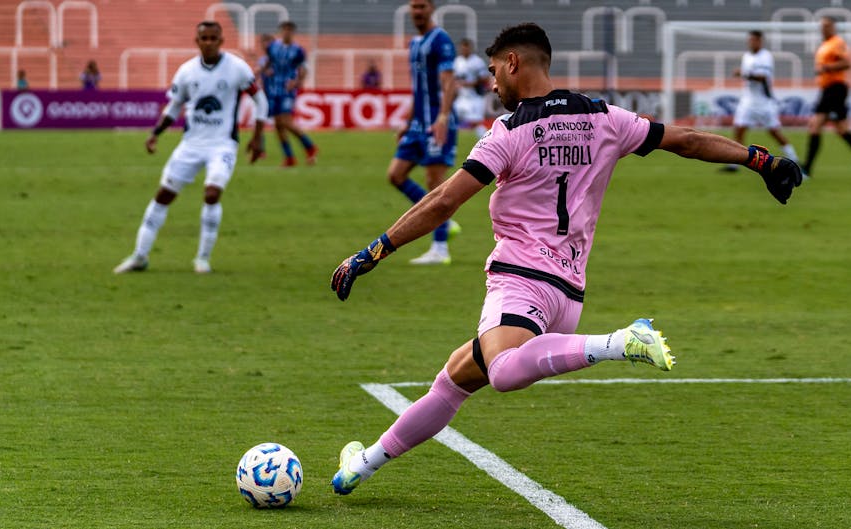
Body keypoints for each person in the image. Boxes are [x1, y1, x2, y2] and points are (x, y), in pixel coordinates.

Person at [327, 23, 801, 497]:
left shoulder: (509, 132)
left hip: (521, 281)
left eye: (494, 71)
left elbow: (442, 202)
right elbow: (688, 140)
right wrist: (760, 160)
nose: (492, 83)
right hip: (567, 293)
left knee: (504, 371)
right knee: (453, 380)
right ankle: (361, 464)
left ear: (514, 63)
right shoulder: (604, 117)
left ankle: (621, 341)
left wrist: (372, 252)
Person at [113, 21, 267, 275]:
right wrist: (156, 133)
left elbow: (260, 99)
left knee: (212, 194)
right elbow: (174, 107)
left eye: (213, 38)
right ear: (197, 41)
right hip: (191, 145)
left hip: (222, 145)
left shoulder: (237, 68)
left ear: (221, 41)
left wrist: (258, 136)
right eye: (203, 38)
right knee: (163, 196)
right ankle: (140, 256)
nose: (208, 42)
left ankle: (202, 259)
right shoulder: (186, 72)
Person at [387, 0, 460, 266]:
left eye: (422, 6)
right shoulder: (416, 43)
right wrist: (407, 120)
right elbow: (418, 89)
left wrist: (442, 116)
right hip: (417, 124)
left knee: (435, 183)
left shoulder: (440, 40)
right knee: (395, 175)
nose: (417, 11)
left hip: (436, 124)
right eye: (413, 7)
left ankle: (440, 249)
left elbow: (449, 81)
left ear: (431, 8)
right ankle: (445, 221)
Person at [801, 17, 851, 182]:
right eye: (822, 26)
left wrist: (827, 68)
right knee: (840, 129)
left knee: (816, 125)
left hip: (835, 89)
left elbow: (847, 63)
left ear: (834, 27)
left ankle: (806, 168)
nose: (824, 29)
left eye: (827, 26)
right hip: (827, 90)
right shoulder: (824, 45)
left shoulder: (836, 43)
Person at [721, 30, 797, 172]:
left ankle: (795, 160)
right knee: (739, 130)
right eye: (750, 40)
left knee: (774, 132)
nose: (752, 42)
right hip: (748, 101)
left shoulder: (765, 56)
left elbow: (763, 77)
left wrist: (743, 73)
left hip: (764, 102)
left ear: (760, 41)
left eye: (755, 40)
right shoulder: (747, 56)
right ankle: (734, 164)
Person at [265, 21, 318, 167]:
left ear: (293, 32)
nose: (286, 32)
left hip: (287, 90)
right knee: (278, 124)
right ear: (281, 31)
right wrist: (265, 70)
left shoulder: (298, 51)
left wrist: (296, 82)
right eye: (284, 29)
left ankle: (310, 146)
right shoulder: (273, 47)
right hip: (273, 88)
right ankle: (289, 157)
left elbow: (304, 69)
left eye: (289, 30)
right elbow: (269, 63)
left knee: (286, 121)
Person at [454, 38, 490, 139]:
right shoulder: (457, 62)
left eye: (467, 47)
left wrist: (471, 84)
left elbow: (485, 79)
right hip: (461, 98)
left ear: (470, 48)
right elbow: (454, 78)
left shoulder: (477, 62)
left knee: (476, 123)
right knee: (452, 119)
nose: (464, 50)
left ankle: (487, 143)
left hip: (475, 98)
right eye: (462, 48)